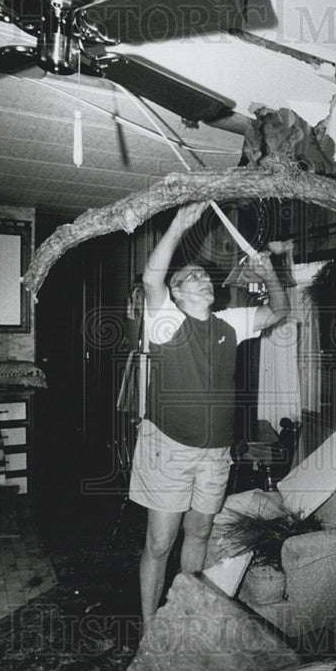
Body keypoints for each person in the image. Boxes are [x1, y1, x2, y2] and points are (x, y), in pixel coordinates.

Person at [129, 201, 290, 630]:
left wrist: (268, 269)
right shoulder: (165, 322)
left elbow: (279, 311)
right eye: (191, 276)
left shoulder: (229, 323)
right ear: (177, 293)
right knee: (160, 542)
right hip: (168, 450)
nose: (203, 279)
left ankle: (185, 615)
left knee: (199, 534)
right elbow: (151, 278)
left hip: (216, 454)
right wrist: (179, 227)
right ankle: (150, 629)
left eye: (205, 275)